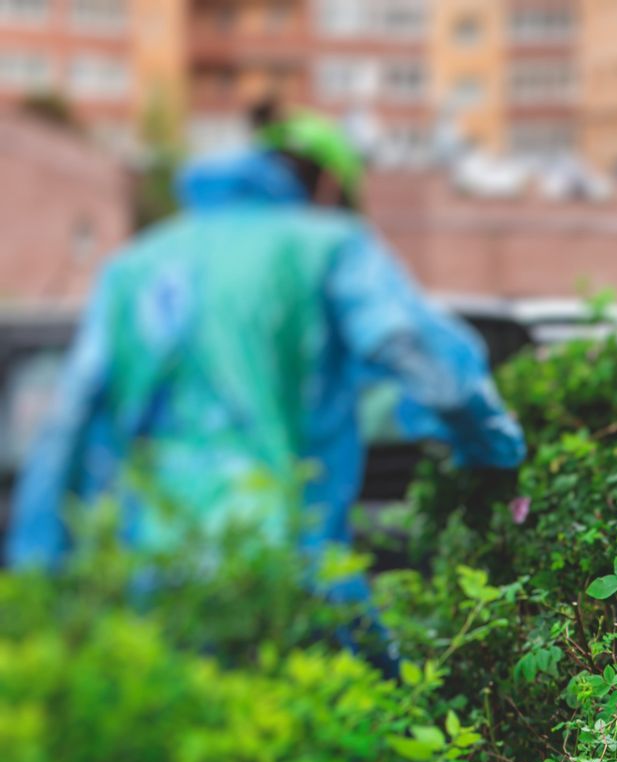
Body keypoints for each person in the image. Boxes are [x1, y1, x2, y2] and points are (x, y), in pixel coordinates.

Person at [5, 105, 525, 650]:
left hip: (152, 566)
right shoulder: (332, 246)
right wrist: (491, 449)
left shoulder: (134, 265)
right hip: (281, 563)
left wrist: (40, 564)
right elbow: (421, 356)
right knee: (361, 710)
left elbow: (69, 415)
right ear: (327, 187)